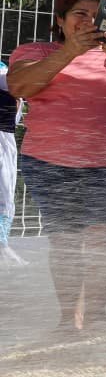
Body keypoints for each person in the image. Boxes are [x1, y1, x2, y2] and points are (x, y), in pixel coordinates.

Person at [8, 0, 106, 333]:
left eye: (98, 15)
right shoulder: (35, 51)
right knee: (65, 240)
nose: (90, 21)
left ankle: (96, 317)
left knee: (104, 240)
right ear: (60, 19)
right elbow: (20, 87)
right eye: (80, 14)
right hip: (51, 162)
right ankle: (67, 320)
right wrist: (68, 54)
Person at [0, 61, 27, 266]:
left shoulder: (5, 70)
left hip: (3, 136)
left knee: (5, 194)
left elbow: (18, 89)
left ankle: (2, 245)